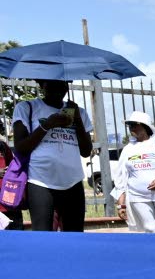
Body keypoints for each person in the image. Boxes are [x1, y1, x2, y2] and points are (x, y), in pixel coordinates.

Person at [11, 79, 94, 232]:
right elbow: (21, 147)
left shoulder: (79, 112)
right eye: (52, 83)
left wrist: (77, 121)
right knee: (43, 236)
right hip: (40, 182)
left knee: (75, 236)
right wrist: (47, 125)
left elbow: (86, 151)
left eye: (63, 83)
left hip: (73, 182)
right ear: (42, 85)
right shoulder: (27, 108)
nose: (59, 87)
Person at [114, 111, 155, 234]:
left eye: (134, 124)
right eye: (129, 125)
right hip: (138, 197)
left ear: (145, 126)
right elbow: (119, 177)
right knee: (151, 230)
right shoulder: (128, 149)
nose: (131, 128)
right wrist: (121, 205)